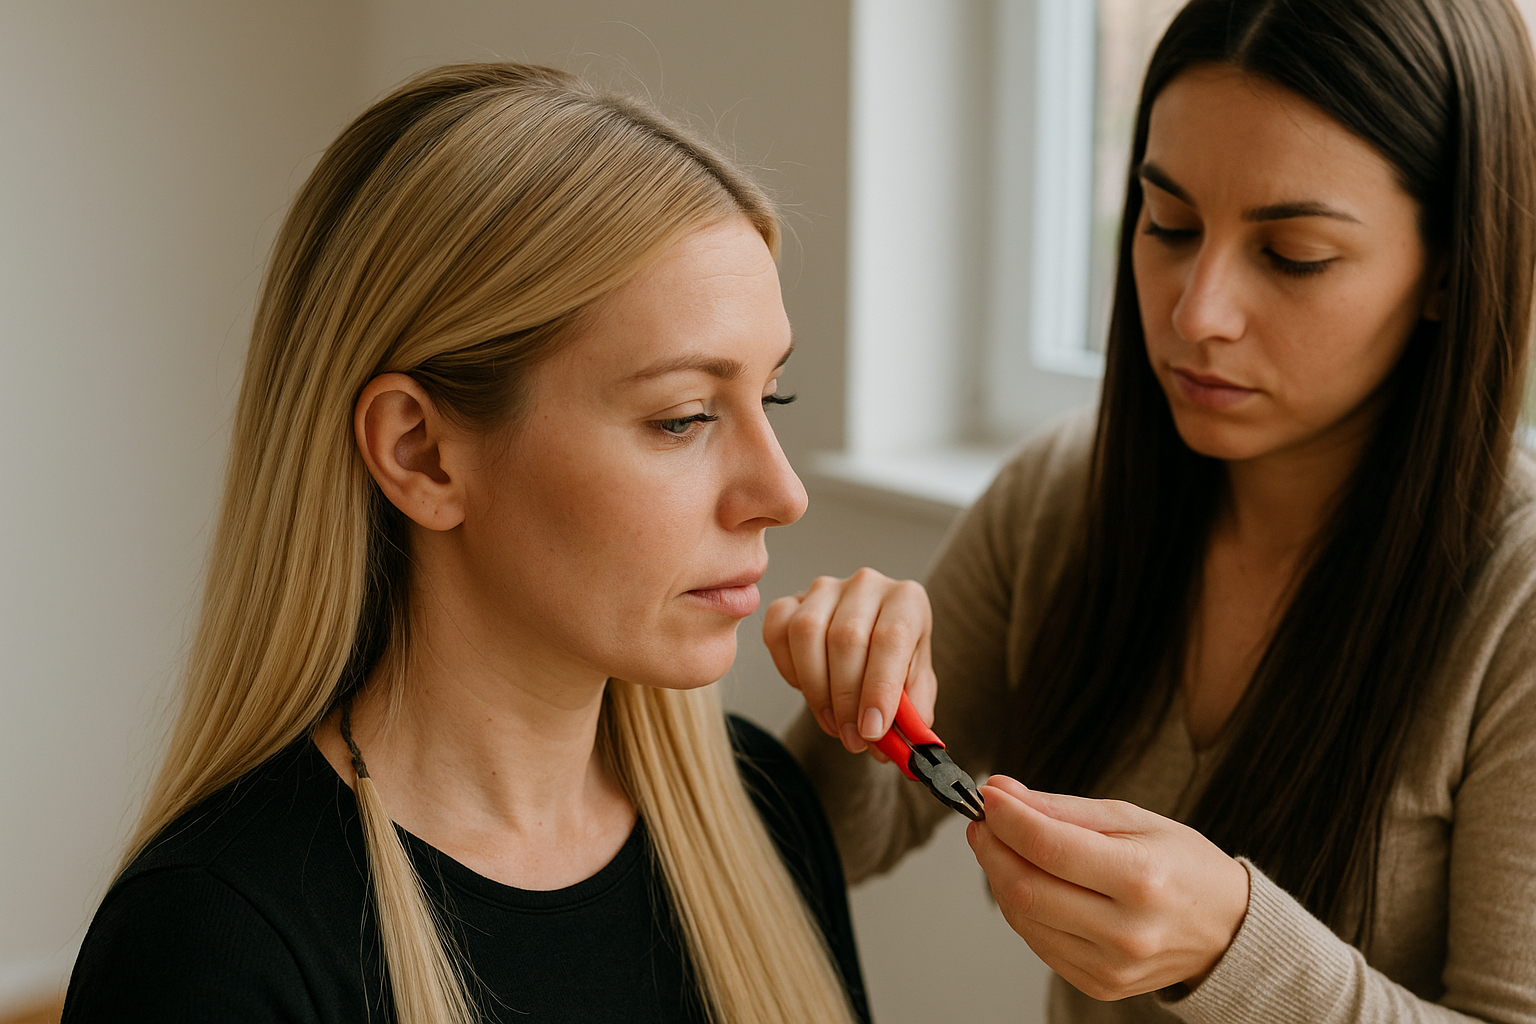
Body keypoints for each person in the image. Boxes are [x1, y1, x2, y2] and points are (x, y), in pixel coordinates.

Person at [767, 0, 1536, 1021]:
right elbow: (825, 844)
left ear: (1449, 268)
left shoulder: (1514, 599)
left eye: (1294, 253)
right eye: (1167, 223)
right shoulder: (1066, 494)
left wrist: (1232, 951)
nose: (1194, 312)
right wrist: (855, 712)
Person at [62, 63, 868, 1024]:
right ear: (422, 453)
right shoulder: (209, 949)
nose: (782, 492)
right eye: (684, 417)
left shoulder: (758, 813)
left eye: (769, 396)